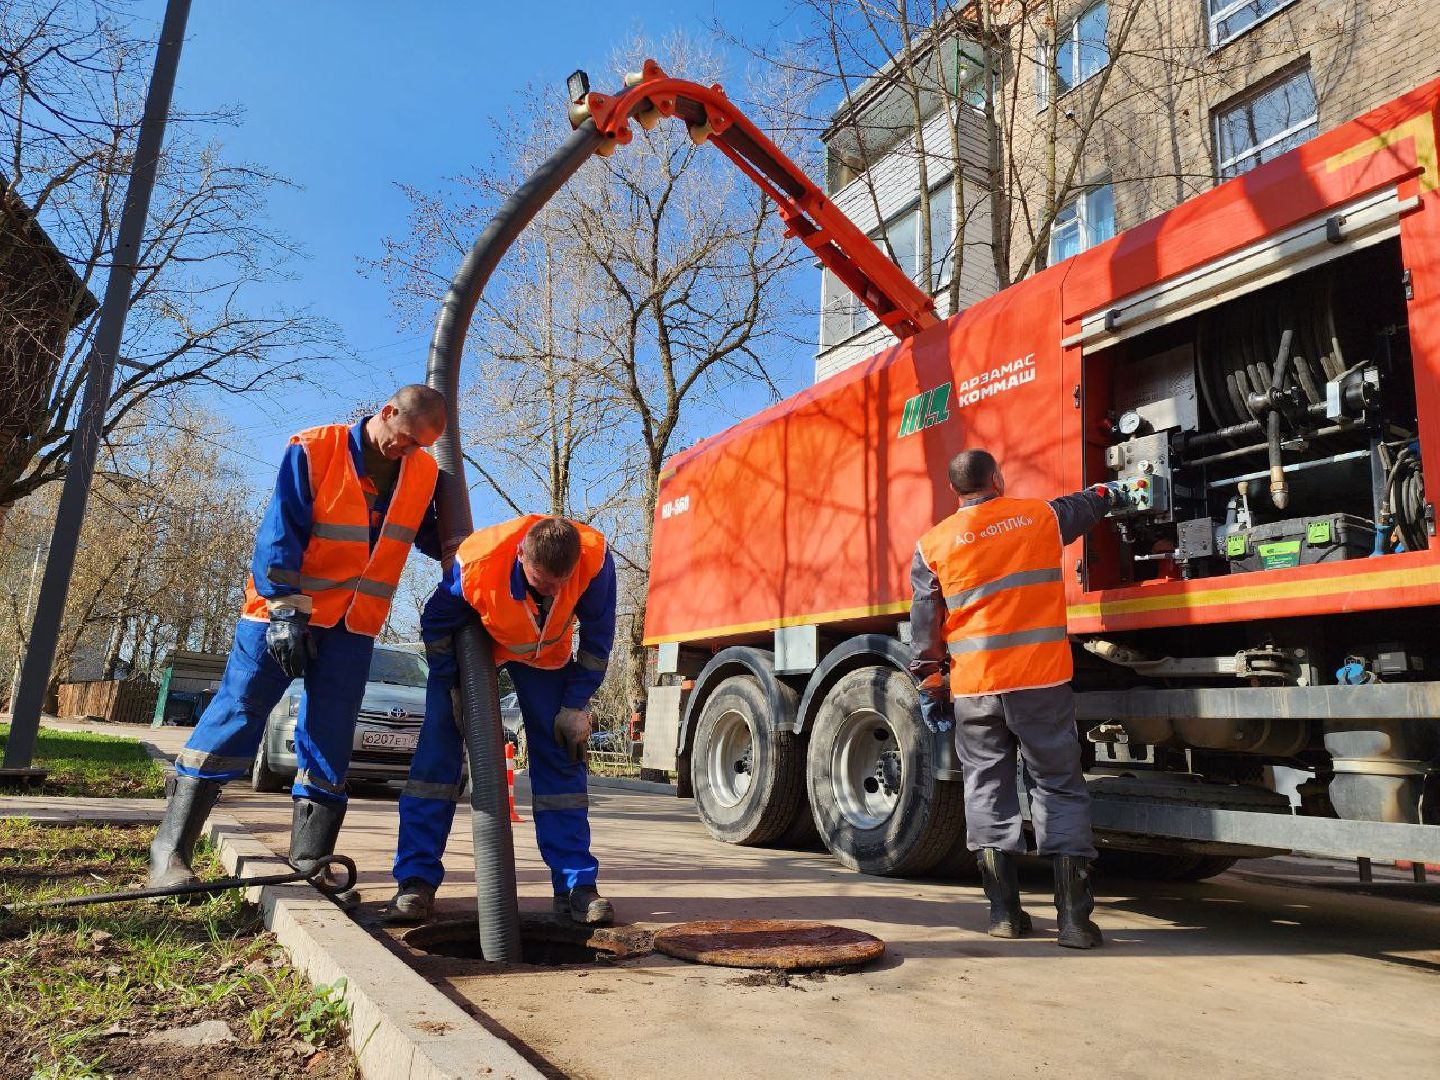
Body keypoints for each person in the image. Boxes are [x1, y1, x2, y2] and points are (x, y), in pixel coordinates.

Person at [148, 385, 448, 895]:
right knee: (238, 715)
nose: (406, 452)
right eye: (402, 439)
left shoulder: (421, 472)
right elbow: (280, 529)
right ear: (387, 411)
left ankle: (311, 862)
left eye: (419, 446)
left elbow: (422, 533)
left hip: (353, 624)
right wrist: (285, 609)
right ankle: (170, 850)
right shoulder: (314, 448)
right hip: (281, 614)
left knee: (330, 738)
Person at [909, 448, 1121, 949]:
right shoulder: (1037, 517)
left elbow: (924, 625)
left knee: (985, 788)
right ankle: (1073, 922)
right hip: (1040, 682)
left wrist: (930, 683)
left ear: (957, 490)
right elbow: (1082, 507)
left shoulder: (933, 544)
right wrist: (1107, 493)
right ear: (996, 478)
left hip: (974, 688)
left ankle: (1004, 915)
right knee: (1058, 788)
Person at [383, 514, 617, 926]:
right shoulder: (478, 563)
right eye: (543, 583)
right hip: (476, 647)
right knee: (435, 759)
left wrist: (576, 703)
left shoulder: (594, 559)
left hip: (546, 656)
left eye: (561, 584)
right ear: (521, 554)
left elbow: (598, 641)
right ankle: (415, 882)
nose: (553, 592)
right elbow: (435, 621)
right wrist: (450, 683)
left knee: (563, 762)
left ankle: (576, 887)